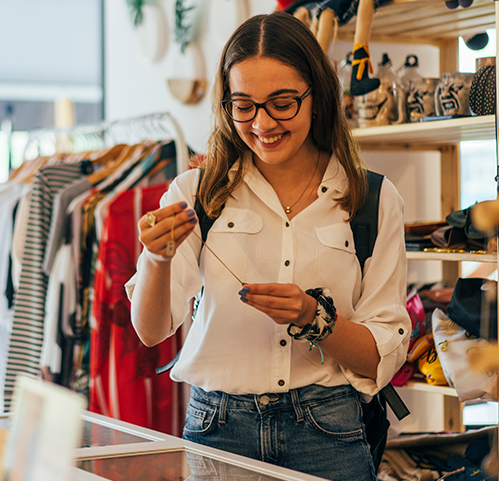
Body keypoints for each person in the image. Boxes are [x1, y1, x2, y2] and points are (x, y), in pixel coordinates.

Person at [125, 12, 410, 481]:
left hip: (328, 431)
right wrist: (157, 258)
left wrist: (313, 319)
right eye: (243, 105)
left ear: (317, 96)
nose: (262, 123)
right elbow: (151, 331)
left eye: (282, 103)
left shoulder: (372, 200)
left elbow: (382, 354)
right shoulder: (195, 193)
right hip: (219, 431)